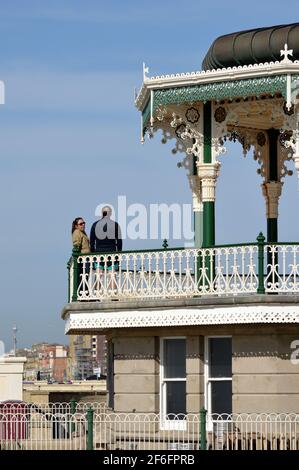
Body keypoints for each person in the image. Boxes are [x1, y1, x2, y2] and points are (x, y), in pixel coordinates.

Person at [90, 206, 122, 294]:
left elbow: (92, 242)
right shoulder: (115, 225)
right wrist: (118, 255)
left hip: (99, 254)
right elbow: (119, 242)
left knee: (98, 276)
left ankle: (96, 295)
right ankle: (113, 297)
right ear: (110, 213)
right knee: (112, 277)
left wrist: (93, 255)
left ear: (102, 213)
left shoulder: (95, 225)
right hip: (112, 254)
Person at [71, 217, 90, 295]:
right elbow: (76, 245)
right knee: (83, 276)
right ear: (76, 226)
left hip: (87, 258)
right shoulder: (77, 232)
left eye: (84, 223)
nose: (83, 225)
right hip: (83, 259)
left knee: (85, 276)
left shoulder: (83, 232)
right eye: (81, 224)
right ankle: (82, 293)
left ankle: (85, 292)